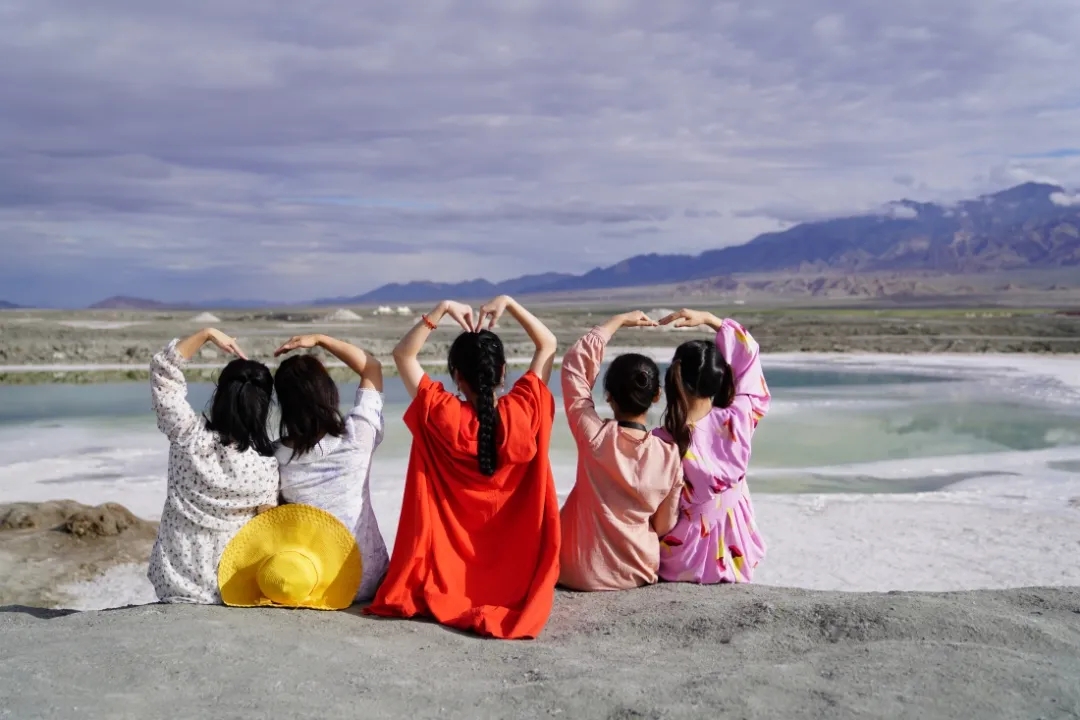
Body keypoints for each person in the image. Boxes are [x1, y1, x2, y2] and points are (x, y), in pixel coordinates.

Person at [366, 296, 560, 639]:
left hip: (448, 578)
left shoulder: (441, 413)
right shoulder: (526, 410)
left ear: (456, 376)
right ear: (503, 372)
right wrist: (509, 304)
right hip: (516, 579)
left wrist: (440, 310)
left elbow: (403, 355)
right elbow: (548, 344)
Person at [148, 328, 279, 603]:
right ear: (264, 406)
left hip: (173, 582)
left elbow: (163, 371)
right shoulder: (265, 467)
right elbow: (268, 526)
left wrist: (206, 334)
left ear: (220, 395)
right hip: (230, 586)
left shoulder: (187, 436)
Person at [558, 311, 683, 591]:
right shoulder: (669, 455)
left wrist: (614, 322)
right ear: (656, 396)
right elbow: (664, 526)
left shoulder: (594, 436)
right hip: (637, 571)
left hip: (580, 572)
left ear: (609, 397)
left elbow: (574, 368)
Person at [652, 309, 771, 584]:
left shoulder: (662, 440)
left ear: (675, 379)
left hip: (685, 554)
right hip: (735, 546)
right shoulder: (740, 416)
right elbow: (749, 357)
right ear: (720, 379)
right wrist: (710, 319)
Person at [271, 334, 389, 602]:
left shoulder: (274, 457)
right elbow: (371, 367)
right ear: (328, 392)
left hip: (314, 581)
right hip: (369, 578)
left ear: (284, 406)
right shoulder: (357, 435)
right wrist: (320, 339)